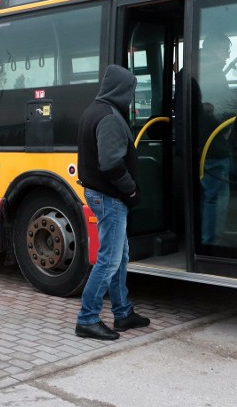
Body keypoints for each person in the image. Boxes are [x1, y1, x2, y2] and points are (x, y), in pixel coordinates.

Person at [75, 64, 151, 341]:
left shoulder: (93, 111)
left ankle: (123, 313)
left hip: (103, 194)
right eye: (130, 90)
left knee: (119, 257)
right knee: (109, 260)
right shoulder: (108, 116)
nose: (131, 97)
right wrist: (130, 191)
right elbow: (110, 164)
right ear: (122, 90)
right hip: (110, 197)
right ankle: (87, 319)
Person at [197, 33, 234, 246]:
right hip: (214, 148)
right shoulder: (215, 74)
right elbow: (225, 109)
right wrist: (227, 130)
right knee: (216, 198)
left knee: (206, 197)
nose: (228, 56)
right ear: (216, 47)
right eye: (226, 51)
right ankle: (211, 243)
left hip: (197, 148)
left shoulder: (190, 71)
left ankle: (204, 239)